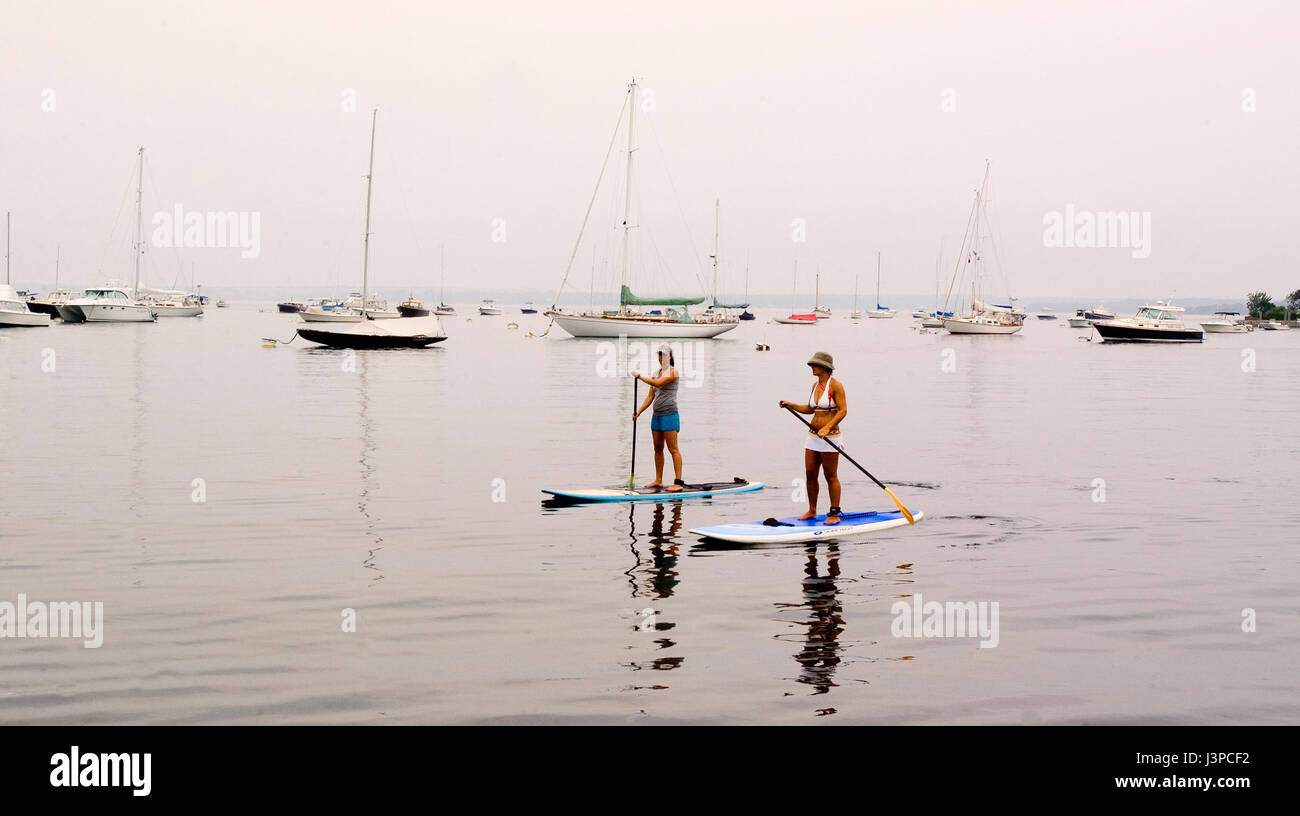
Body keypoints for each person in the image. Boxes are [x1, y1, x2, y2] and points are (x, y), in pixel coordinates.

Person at [779, 351, 846, 524]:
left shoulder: (836, 386)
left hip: (830, 437)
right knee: (810, 473)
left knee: (830, 475)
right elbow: (810, 409)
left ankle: (834, 513)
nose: (811, 368)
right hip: (813, 437)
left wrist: (828, 426)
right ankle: (812, 510)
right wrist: (790, 405)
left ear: (824, 367)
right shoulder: (814, 386)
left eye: (814, 365)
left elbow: (843, 410)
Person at [632, 344, 684, 492]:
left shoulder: (673, 372)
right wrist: (639, 412)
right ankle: (658, 480)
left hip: (670, 415)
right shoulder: (656, 373)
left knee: (673, 449)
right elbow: (650, 396)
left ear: (670, 357)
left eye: (664, 355)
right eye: (659, 355)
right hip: (657, 416)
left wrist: (640, 377)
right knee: (657, 449)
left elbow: (658, 383)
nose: (661, 358)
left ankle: (678, 482)